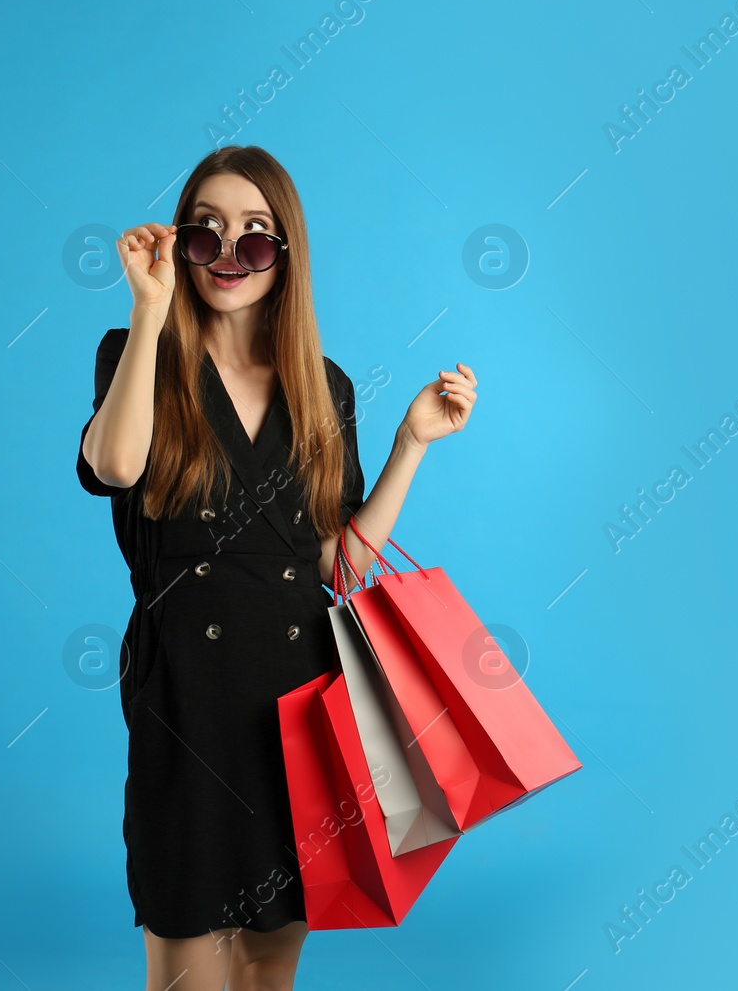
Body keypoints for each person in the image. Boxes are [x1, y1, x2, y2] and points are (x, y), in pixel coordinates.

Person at [76, 144, 476, 991]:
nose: (229, 256)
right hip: (184, 704)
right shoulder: (134, 354)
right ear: (179, 246)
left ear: (285, 253)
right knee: (187, 965)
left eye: (255, 237)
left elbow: (332, 566)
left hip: (296, 709)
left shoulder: (322, 388)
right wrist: (149, 310)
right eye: (206, 234)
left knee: (267, 967)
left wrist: (410, 445)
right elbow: (114, 465)